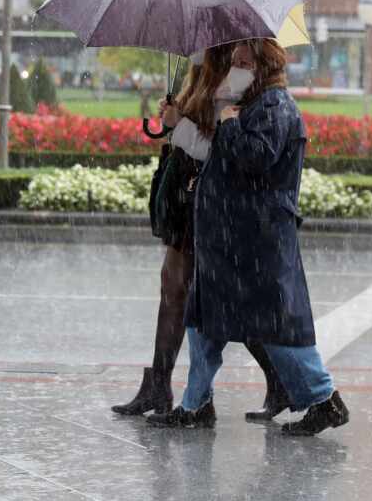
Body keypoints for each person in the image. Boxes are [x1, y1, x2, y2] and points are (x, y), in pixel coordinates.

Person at [147, 39, 349, 436]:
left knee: (276, 330)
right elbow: (218, 156)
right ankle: (195, 404)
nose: (234, 67)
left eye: (243, 62)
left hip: (255, 240)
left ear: (263, 68)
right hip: (229, 240)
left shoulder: (274, 107)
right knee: (202, 322)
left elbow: (256, 158)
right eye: (235, 60)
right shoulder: (249, 106)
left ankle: (325, 400)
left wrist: (228, 124)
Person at [110, 45, 291, 419]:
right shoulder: (200, 73)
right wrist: (175, 115)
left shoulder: (231, 79)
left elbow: (218, 149)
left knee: (213, 299)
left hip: (206, 201)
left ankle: (268, 382)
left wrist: (182, 125)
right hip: (186, 198)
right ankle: (163, 384)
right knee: (176, 290)